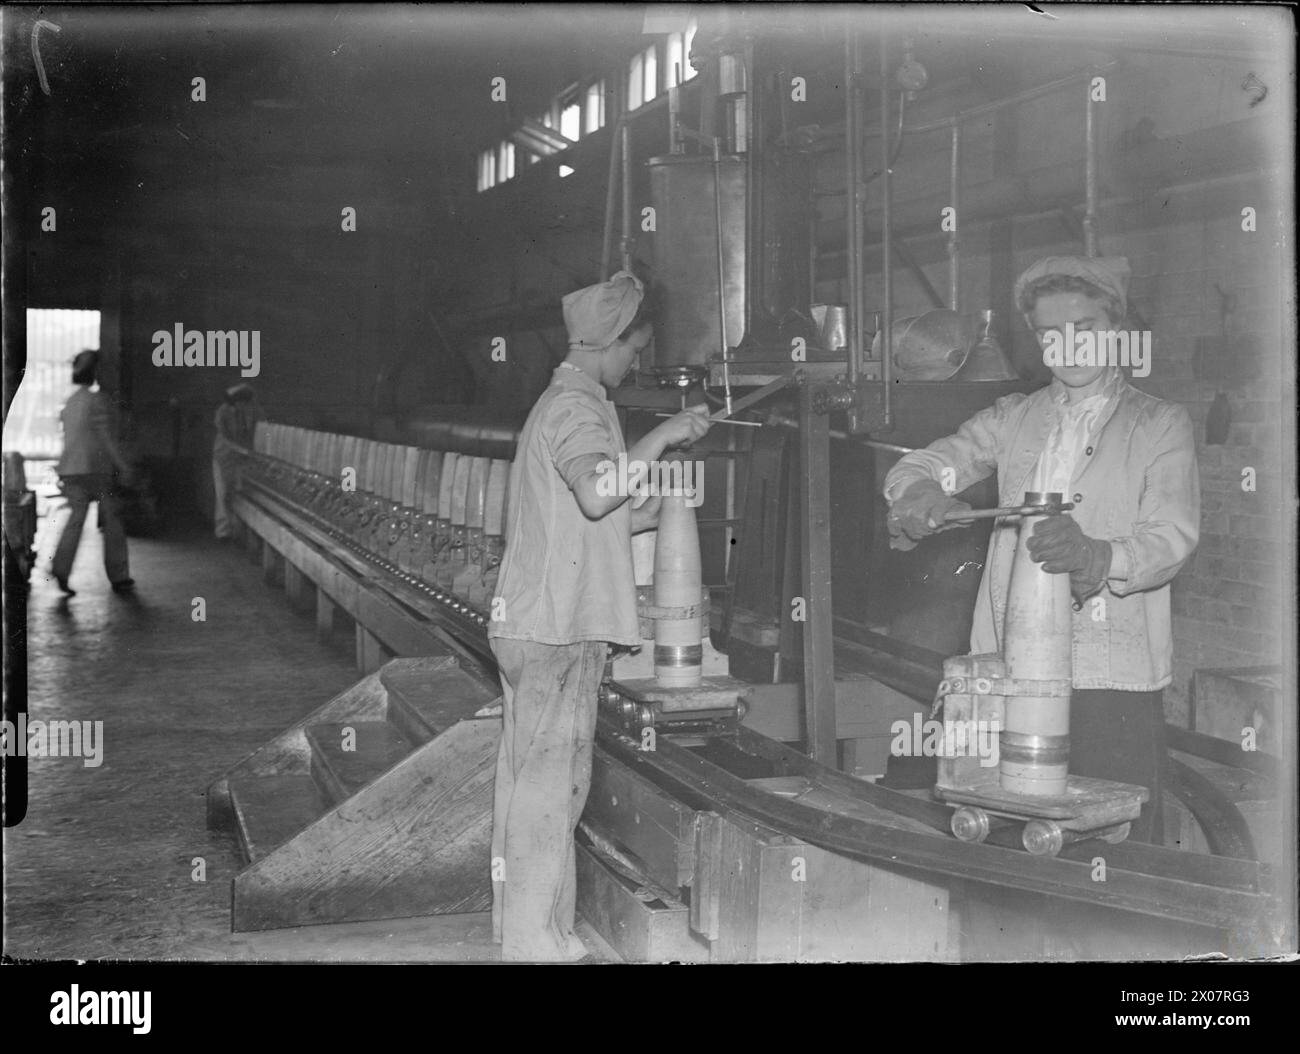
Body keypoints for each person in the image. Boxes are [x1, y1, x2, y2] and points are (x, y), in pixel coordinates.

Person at [883, 255, 1199, 843]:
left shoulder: (1158, 424)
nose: (1070, 346)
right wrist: (922, 489)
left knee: (1112, 841)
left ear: (1118, 332)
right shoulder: (1013, 418)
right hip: (1008, 669)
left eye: (1086, 328)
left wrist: (1099, 557)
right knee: (998, 829)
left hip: (1111, 679)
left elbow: (1172, 537)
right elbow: (927, 463)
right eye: (1051, 334)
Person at [487, 271, 712, 960]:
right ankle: (532, 942)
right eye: (635, 349)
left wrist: (641, 519)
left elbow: (587, 513)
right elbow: (592, 492)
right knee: (551, 792)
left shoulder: (570, 403)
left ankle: (533, 930)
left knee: (535, 784)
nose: (636, 362)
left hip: (539, 619)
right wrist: (665, 436)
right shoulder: (576, 408)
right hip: (556, 627)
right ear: (611, 341)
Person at [50, 350, 136, 596]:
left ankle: (61, 568)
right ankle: (119, 576)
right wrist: (123, 465)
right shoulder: (98, 400)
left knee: (75, 520)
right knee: (113, 520)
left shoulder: (72, 401)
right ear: (96, 371)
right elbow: (106, 439)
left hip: (71, 470)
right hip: (95, 470)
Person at [212, 383, 261, 540]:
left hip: (238, 459)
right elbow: (225, 437)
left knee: (236, 491)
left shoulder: (244, 413)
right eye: (241, 401)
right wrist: (242, 450)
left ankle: (235, 530)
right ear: (235, 400)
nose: (243, 405)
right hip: (223, 457)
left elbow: (249, 433)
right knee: (223, 492)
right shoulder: (223, 412)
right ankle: (223, 531)